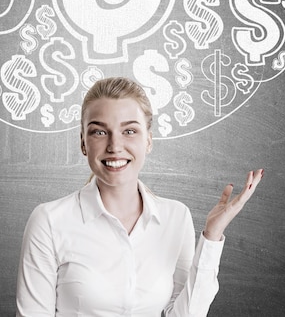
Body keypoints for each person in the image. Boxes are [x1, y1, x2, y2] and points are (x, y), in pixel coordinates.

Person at [16, 77, 263, 316]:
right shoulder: (49, 221)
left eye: (130, 131)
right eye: (99, 132)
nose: (114, 145)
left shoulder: (176, 217)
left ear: (148, 141)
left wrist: (212, 236)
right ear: (83, 142)